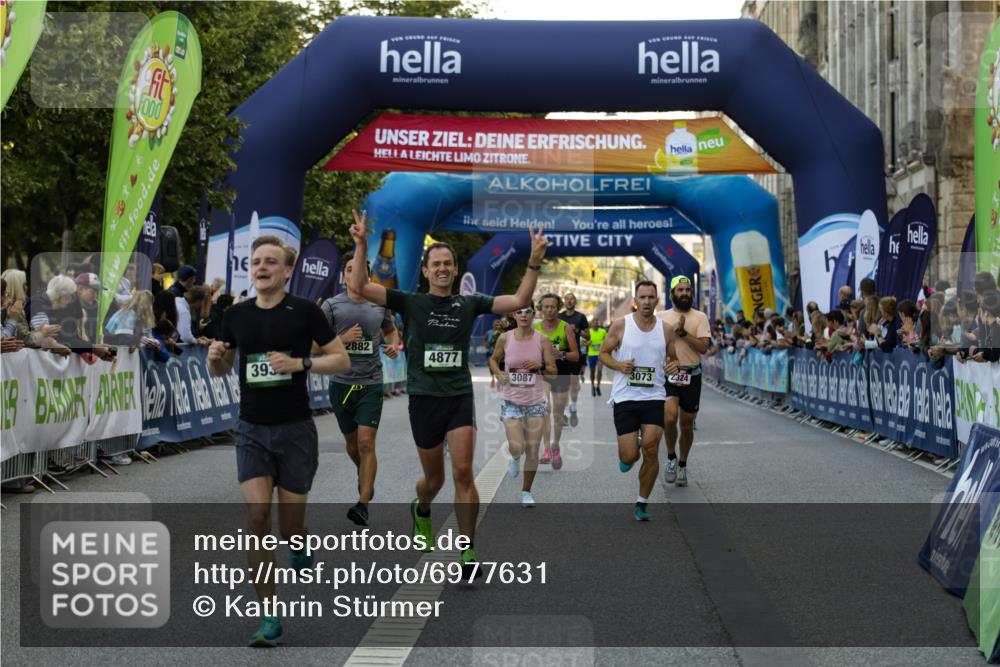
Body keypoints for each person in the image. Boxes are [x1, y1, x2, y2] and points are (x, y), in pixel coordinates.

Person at [347, 209, 548, 579]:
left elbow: (519, 299)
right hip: (424, 399)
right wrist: (361, 245)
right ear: (425, 271)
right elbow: (360, 287)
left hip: (457, 397)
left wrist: (534, 263)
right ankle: (421, 508)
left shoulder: (468, 304)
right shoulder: (409, 301)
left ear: (455, 271)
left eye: (448, 264)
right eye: (435, 263)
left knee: (462, 472)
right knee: (434, 481)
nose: (442, 268)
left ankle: (467, 550)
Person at [207, 235, 350, 647]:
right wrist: (216, 358)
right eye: (256, 262)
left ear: (287, 271)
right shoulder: (235, 315)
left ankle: (300, 542)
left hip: (295, 429)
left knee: (289, 528)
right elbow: (221, 368)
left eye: (271, 262)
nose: (262, 267)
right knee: (256, 521)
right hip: (251, 428)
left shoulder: (305, 313)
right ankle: (269, 616)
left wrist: (300, 362)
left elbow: (340, 359)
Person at [320, 251, 400, 527]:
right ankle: (363, 475)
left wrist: (392, 343)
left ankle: (363, 503)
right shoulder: (331, 306)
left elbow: (390, 330)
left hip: (370, 383)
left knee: (366, 443)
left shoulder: (379, 304)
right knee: (352, 445)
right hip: (341, 384)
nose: (355, 274)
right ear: (343, 276)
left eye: (360, 269)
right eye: (350, 269)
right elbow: (314, 344)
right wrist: (340, 339)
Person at [600, 281, 678, 521]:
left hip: (654, 397)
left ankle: (641, 503)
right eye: (642, 297)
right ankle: (630, 452)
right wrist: (619, 365)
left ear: (657, 300)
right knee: (629, 457)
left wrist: (674, 365)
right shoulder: (621, 325)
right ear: (636, 300)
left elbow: (673, 359)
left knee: (652, 450)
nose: (646, 302)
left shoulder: (666, 329)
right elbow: (604, 353)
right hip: (625, 398)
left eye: (651, 297)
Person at [489, 306, 557, 507]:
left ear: (533, 315)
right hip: (512, 402)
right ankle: (515, 457)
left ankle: (526, 491)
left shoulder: (542, 339)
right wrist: (499, 373)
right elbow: (494, 359)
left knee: (533, 450)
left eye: (528, 311)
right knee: (517, 446)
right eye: (520, 312)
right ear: (514, 315)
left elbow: (553, 370)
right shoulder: (505, 338)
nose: (524, 315)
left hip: (536, 402)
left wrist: (541, 366)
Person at [659, 276, 711, 488]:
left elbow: (703, 348)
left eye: (688, 290)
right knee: (669, 418)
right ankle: (671, 457)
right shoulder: (661, 316)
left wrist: (683, 333)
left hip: (692, 374)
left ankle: (682, 463)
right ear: (672, 294)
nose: (684, 294)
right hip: (669, 373)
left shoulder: (700, 317)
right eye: (680, 290)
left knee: (686, 425)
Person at [534, 294, 579, 470]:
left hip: (562, 374)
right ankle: (546, 449)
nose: (549, 310)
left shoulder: (566, 328)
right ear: (541, 309)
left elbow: (576, 356)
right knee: (545, 407)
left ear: (558, 308)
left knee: (558, 415)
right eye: (546, 307)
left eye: (553, 306)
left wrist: (560, 353)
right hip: (543, 373)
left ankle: (555, 445)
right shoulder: (535, 328)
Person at [559, 292, 590, 426]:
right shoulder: (559, 317)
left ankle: (574, 407)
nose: (569, 301)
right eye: (567, 299)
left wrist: (577, 331)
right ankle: (565, 412)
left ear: (575, 302)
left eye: (572, 299)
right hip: (562, 354)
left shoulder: (580, 317)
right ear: (564, 302)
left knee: (573, 385)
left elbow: (587, 336)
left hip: (575, 354)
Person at [587, 316, 607, 396]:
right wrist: (588, 343)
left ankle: (598, 386)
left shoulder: (603, 332)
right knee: (592, 372)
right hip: (591, 354)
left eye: (596, 323)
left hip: (600, 355)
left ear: (598, 324)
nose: (595, 324)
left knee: (599, 370)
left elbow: (607, 340)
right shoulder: (588, 332)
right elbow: (583, 343)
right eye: (594, 323)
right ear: (591, 324)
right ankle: (592, 386)